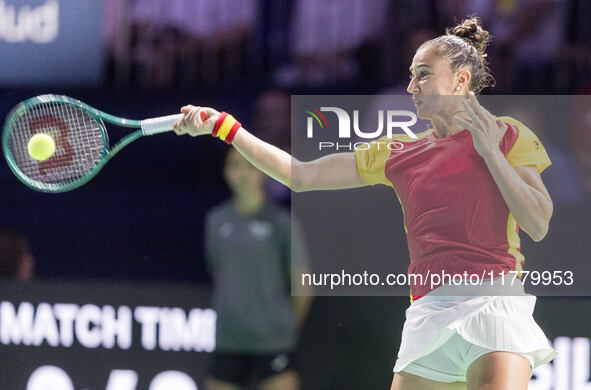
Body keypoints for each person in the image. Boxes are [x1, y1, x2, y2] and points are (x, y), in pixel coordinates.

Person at [175, 17, 557, 390]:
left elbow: (538, 223)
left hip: (492, 304)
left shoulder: (507, 135)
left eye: (424, 73)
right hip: (429, 313)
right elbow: (300, 175)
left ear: (461, 80)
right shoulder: (400, 152)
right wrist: (225, 128)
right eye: (411, 74)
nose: (411, 85)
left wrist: (489, 152)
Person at [203, 148, 311, 390]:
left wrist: (283, 328)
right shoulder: (215, 221)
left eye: (250, 165)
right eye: (234, 165)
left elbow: (302, 284)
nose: (242, 173)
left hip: (273, 343)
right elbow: (217, 274)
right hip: (229, 340)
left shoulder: (283, 222)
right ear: (225, 172)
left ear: (263, 171)